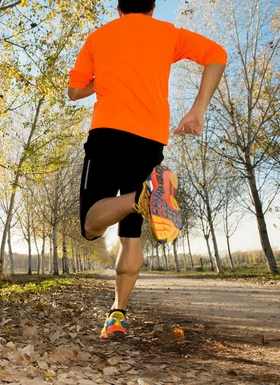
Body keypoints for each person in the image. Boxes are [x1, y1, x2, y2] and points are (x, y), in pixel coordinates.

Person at [67, 0, 227, 339]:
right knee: (130, 236)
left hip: (107, 135)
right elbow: (217, 54)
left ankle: (144, 193)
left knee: (92, 226)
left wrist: (104, 78)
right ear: (152, 8)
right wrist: (197, 110)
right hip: (150, 142)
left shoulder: (98, 37)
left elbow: (74, 91)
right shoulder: (167, 33)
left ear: (118, 8)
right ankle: (117, 315)